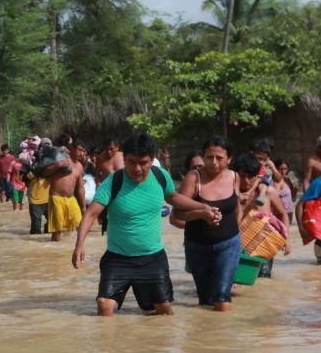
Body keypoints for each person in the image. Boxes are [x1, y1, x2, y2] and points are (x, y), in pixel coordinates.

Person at [71, 132, 221, 317]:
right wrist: (79, 244)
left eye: (143, 163)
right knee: (104, 305)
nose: (137, 168)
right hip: (117, 259)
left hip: (152, 258)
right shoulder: (114, 182)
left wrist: (203, 206)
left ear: (152, 160)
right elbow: (90, 214)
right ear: (124, 159)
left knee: (164, 312)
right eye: (131, 162)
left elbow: (173, 198)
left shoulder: (160, 176)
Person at [171, 137, 241, 312]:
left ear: (229, 159)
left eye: (220, 158)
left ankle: (226, 336)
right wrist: (201, 214)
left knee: (222, 299)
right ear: (203, 157)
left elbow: (236, 207)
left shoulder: (234, 177)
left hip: (229, 244)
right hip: (197, 246)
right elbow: (177, 213)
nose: (214, 162)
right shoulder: (194, 178)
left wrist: (239, 235)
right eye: (209, 157)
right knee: (205, 300)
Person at [232, 152, 291, 278]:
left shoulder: (267, 192)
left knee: (263, 282)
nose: (246, 181)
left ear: (258, 175)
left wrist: (287, 239)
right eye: (242, 176)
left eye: (250, 176)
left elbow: (283, 214)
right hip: (234, 248)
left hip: (263, 247)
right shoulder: (230, 194)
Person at [47, 148, 85, 242]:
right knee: (57, 229)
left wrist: (83, 206)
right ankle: (55, 250)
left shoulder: (79, 166)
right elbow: (45, 173)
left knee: (79, 224)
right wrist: (56, 166)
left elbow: (80, 187)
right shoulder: (60, 159)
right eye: (79, 150)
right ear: (72, 149)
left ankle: (76, 247)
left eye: (83, 151)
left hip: (71, 199)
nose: (81, 153)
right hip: (56, 198)